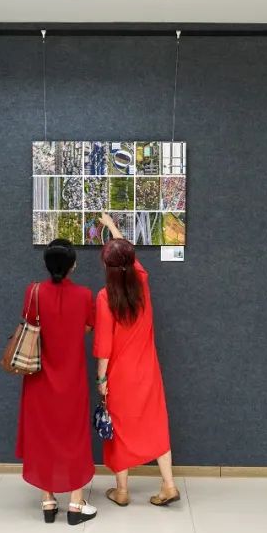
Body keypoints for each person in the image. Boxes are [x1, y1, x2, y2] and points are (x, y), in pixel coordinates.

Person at [94, 213, 179, 508]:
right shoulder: (142, 283)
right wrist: (112, 227)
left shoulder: (105, 297)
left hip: (120, 374)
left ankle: (122, 491)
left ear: (107, 267)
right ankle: (168, 485)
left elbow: (104, 346)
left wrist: (101, 379)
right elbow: (129, 255)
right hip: (148, 370)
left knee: (118, 430)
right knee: (156, 424)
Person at [15, 239, 98, 526]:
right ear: (73, 265)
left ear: (47, 265)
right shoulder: (85, 295)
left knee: (43, 436)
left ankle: (48, 501)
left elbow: (29, 324)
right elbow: (88, 327)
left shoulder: (33, 292)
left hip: (38, 378)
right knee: (74, 438)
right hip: (72, 379)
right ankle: (76, 504)